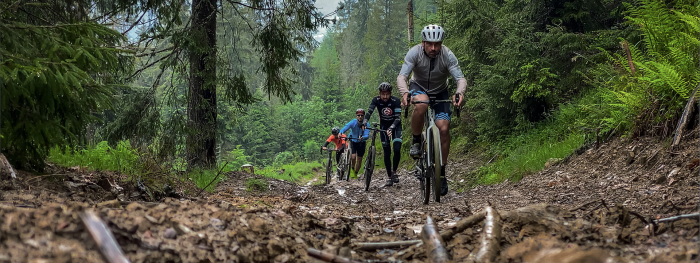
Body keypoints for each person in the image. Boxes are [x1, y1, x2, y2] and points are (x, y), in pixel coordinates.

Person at [397, 24, 467, 196]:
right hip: (418, 86)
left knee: (444, 129)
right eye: (430, 44)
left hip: (440, 90)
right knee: (422, 103)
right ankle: (416, 141)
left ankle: (441, 173)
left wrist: (459, 93)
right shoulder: (414, 53)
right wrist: (405, 93)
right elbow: (402, 76)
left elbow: (460, 78)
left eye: (437, 44)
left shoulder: (447, 55)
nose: (434, 48)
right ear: (423, 43)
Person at [363, 82, 403, 187]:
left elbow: (398, 118)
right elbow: (369, 111)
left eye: (387, 94)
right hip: (384, 127)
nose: (385, 97)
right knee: (387, 152)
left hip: (396, 125)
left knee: (397, 149)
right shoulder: (376, 100)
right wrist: (365, 121)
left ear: (390, 93)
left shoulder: (396, 101)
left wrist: (392, 127)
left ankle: (394, 171)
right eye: (383, 94)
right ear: (379, 93)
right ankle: (389, 176)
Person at [340, 109, 370, 178]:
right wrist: (341, 132)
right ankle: (352, 169)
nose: (360, 117)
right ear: (356, 116)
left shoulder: (366, 124)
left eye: (361, 115)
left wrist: (363, 137)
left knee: (359, 159)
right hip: (353, 141)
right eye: (358, 115)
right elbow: (346, 127)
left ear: (363, 116)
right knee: (353, 157)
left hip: (361, 142)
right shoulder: (353, 122)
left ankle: (355, 174)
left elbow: (367, 134)